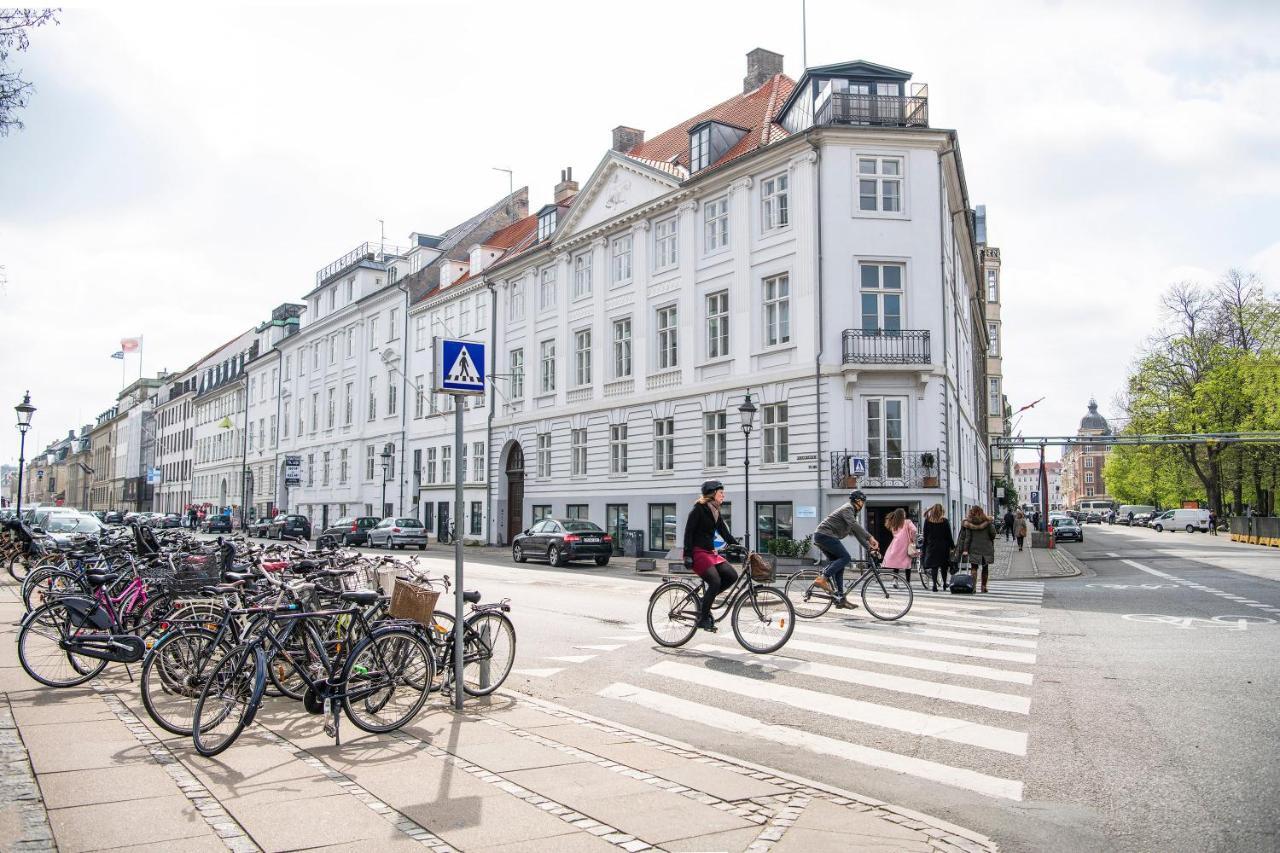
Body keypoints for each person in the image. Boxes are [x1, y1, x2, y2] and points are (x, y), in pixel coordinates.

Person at [682, 480, 738, 632]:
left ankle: (704, 600)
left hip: (710, 552)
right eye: (721, 492)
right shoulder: (698, 509)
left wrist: (738, 546)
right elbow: (688, 532)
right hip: (697, 551)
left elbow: (724, 532)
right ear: (713, 494)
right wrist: (687, 555)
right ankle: (702, 618)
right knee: (715, 581)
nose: (723, 495)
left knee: (732, 575)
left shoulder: (715, 511)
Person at [813, 491, 879, 609]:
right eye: (862, 501)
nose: (863, 504)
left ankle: (840, 598)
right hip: (825, 535)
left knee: (839, 565)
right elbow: (854, 526)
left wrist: (869, 548)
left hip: (824, 535)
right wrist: (870, 537)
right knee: (845, 558)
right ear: (858, 501)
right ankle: (822, 578)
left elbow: (857, 534)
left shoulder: (851, 513)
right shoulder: (847, 509)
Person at [958, 506, 997, 593]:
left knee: (974, 568)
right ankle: (983, 587)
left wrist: (965, 550)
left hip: (974, 548)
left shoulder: (969, 523)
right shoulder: (988, 522)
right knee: (985, 567)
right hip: (986, 548)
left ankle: (973, 586)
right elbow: (993, 535)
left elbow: (967, 538)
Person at [921, 503, 955, 591]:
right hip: (943, 547)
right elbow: (949, 536)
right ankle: (944, 584)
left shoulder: (927, 521)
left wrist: (924, 548)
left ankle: (934, 586)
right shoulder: (945, 521)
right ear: (942, 511)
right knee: (944, 566)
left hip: (931, 546)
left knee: (934, 567)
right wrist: (953, 546)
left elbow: (925, 536)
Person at [881, 508, 918, 584]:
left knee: (896, 563)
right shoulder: (907, 522)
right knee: (908, 564)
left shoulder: (893, 523)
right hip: (905, 545)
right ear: (902, 514)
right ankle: (907, 582)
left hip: (895, 544)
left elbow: (894, 534)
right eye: (904, 513)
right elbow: (914, 530)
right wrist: (912, 538)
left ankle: (895, 580)